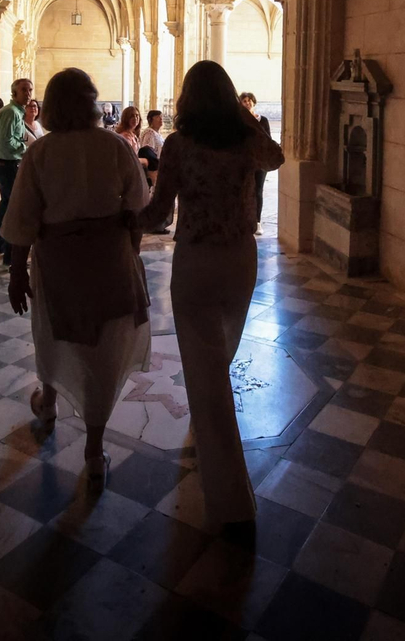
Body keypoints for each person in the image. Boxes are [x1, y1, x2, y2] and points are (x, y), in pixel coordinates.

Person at [136, 61, 284, 530]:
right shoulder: (246, 142)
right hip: (240, 260)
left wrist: (121, 220)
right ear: (228, 98)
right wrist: (242, 115)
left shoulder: (179, 145)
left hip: (197, 262)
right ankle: (227, 485)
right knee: (217, 362)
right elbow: (276, 156)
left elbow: (158, 211)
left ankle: (231, 503)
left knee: (209, 374)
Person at [0, 68, 152, 486]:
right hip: (110, 262)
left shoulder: (41, 153)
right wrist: (131, 253)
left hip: (59, 263)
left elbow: (23, 220)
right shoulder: (116, 146)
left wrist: (17, 272)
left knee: (54, 334)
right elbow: (137, 206)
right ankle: (94, 448)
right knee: (103, 349)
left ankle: (48, 404)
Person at [0, 79, 33, 266]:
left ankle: (0, 246)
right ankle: (10, 254)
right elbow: (5, 144)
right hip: (7, 165)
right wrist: (26, 148)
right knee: (14, 209)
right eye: (24, 90)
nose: (28, 93)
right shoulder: (11, 113)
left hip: (6, 164)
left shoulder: (16, 112)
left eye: (30, 90)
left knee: (7, 206)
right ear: (14, 93)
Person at [240, 92, 274, 236]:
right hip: (245, 161)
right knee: (244, 189)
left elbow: (268, 139)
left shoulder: (263, 120)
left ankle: (257, 222)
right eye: (244, 101)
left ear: (253, 102)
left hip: (259, 161)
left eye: (249, 101)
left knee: (258, 190)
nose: (247, 103)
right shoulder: (239, 121)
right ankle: (244, 219)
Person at [137, 109, 172, 234]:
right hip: (154, 168)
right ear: (151, 119)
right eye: (158, 117)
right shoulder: (149, 133)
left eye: (161, 117)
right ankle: (155, 225)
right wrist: (154, 169)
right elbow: (147, 151)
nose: (161, 119)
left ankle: (160, 224)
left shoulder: (157, 134)